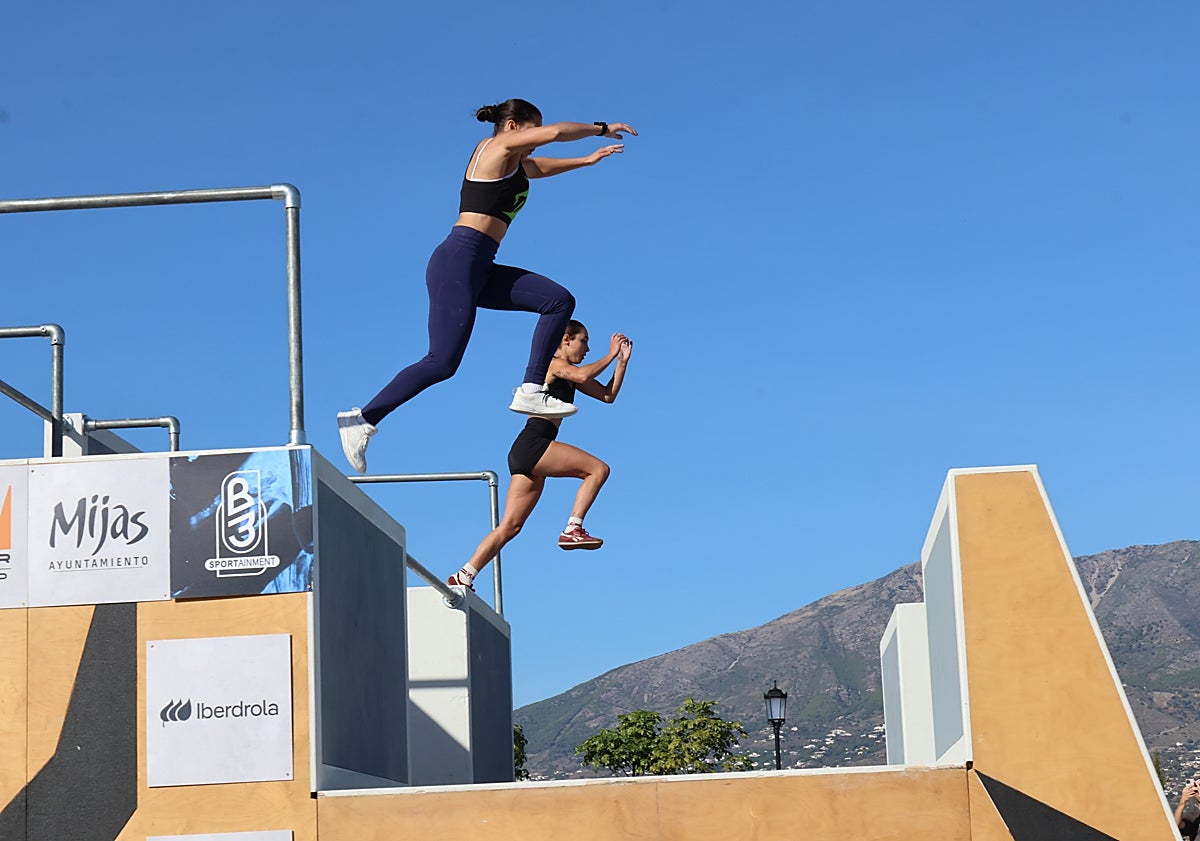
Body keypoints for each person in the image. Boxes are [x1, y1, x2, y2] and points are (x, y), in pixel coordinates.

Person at [337, 98, 638, 473]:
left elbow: (537, 168)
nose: (535, 143)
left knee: (558, 300)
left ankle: (531, 389)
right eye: (532, 132)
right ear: (512, 127)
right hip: (457, 262)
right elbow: (558, 134)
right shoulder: (494, 148)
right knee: (442, 361)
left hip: (479, 265)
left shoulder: (514, 163)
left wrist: (584, 161)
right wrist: (602, 127)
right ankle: (362, 418)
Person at [446, 320, 631, 590]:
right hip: (535, 443)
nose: (588, 348)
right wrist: (611, 353)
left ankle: (464, 575)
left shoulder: (571, 374)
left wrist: (622, 363)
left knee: (510, 526)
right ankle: (573, 529)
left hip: (527, 450)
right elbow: (581, 376)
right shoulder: (554, 364)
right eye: (584, 341)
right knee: (598, 469)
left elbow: (606, 395)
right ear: (566, 339)